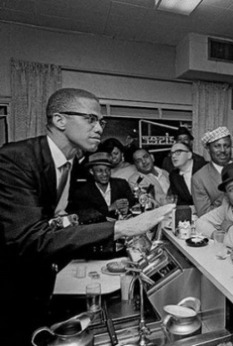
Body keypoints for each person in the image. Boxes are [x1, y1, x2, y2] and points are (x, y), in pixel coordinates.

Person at [0, 88, 173, 345]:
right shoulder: (16, 159)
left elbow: (57, 223)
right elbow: (28, 237)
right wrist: (120, 228)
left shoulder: (69, 164)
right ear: (59, 120)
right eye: (90, 119)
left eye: (101, 121)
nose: (99, 128)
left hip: (44, 284)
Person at [68, 151, 135, 223]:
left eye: (108, 170)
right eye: (100, 171)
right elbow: (82, 215)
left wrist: (127, 208)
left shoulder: (121, 184)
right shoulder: (83, 191)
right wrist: (109, 208)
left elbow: (133, 203)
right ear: (91, 171)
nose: (105, 174)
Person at [168, 141, 206, 206]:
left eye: (178, 152)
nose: (173, 156)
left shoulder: (204, 168)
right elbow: (180, 201)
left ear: (189, 155)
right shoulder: (174, 176)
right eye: (171, 153)